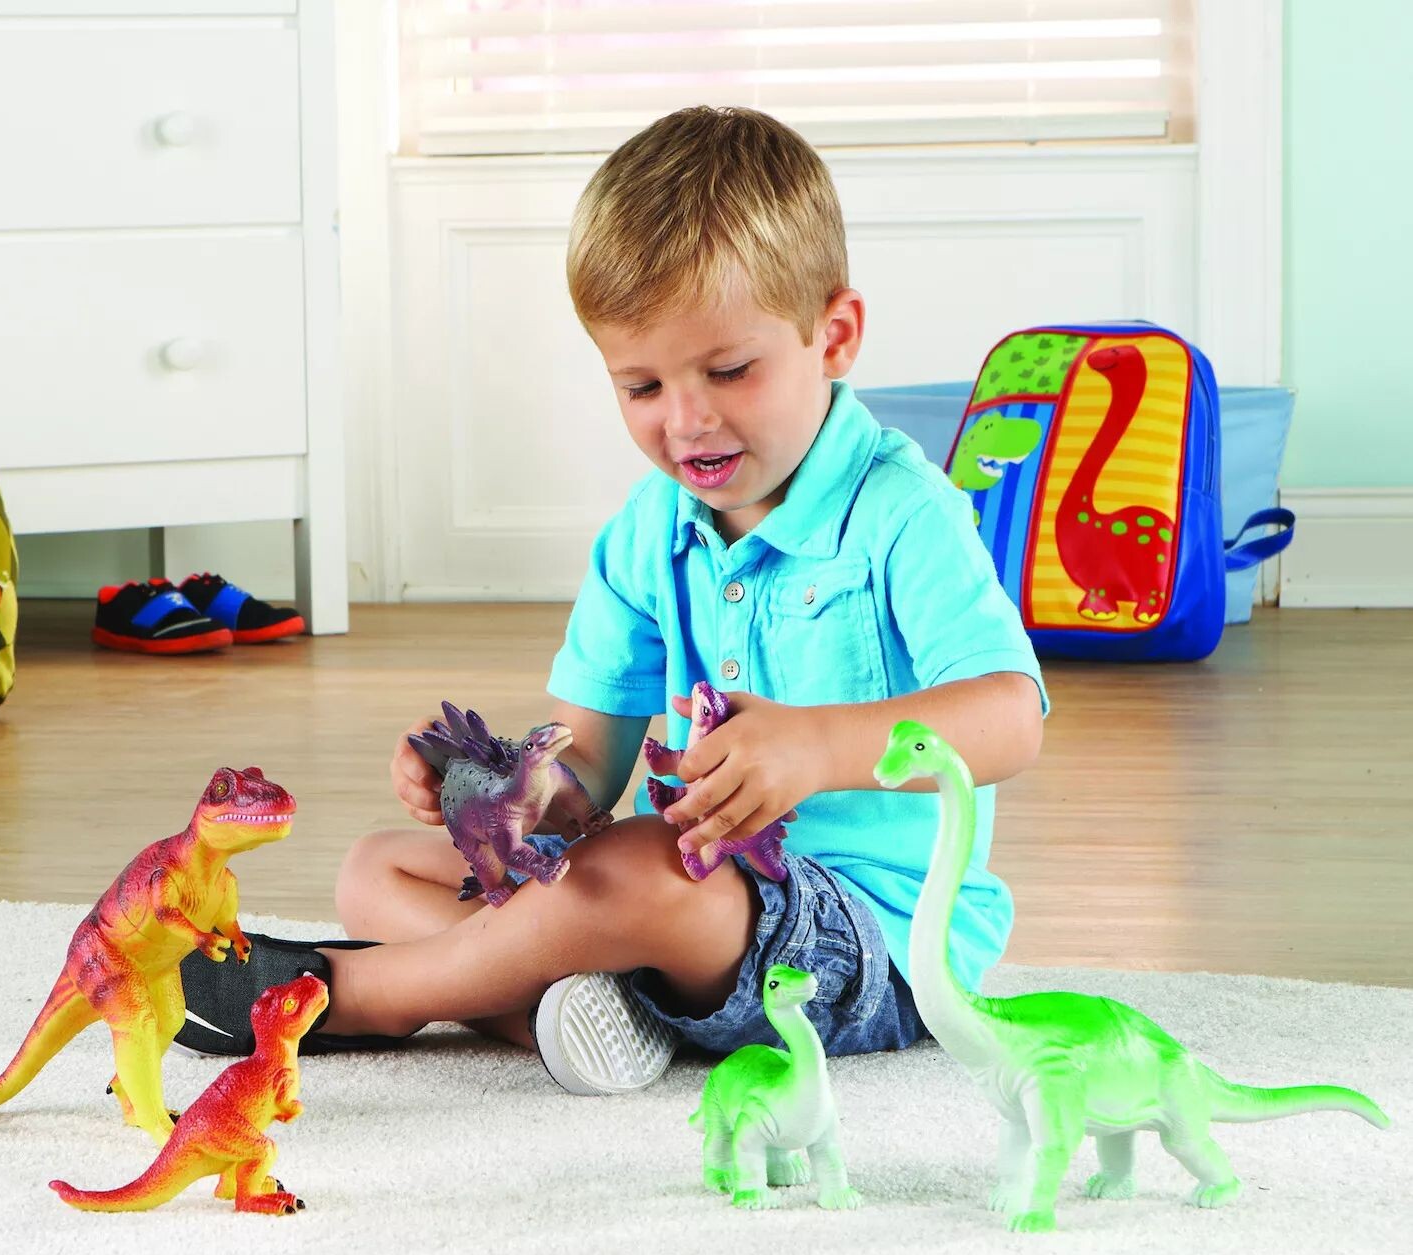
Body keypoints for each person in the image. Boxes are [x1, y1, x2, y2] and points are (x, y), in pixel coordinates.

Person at [174, 105, 1048, 1095]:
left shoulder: (902, 512)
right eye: (641, 387)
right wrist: (502, 790)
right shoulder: (646, 532)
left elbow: (1011, 718)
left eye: (729, 370)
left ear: (833, 335)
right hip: (669, 897)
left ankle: (368, 994)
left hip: (864, 942)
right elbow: (585, 774)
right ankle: (581, 1009)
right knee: (379, 869)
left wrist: (817, 747)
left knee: (636, 866)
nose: (687, 420)